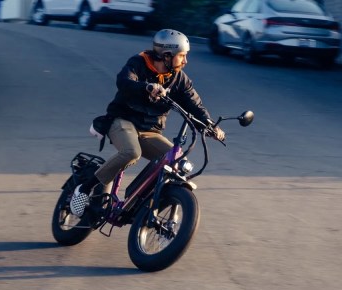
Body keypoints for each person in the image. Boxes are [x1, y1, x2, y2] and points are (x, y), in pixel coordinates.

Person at [69, 29, 225, 216]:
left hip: (150, 131)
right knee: (131, 152)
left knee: (176, 162)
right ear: (167, 55)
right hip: (122, 120)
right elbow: (124, 81)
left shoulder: (179, 79)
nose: (185, 61)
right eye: (182, 56)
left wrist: (210, 124)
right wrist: (147, 87)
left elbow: (195, 104)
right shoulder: (139, 63)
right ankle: (84, 189)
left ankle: (140, 203)